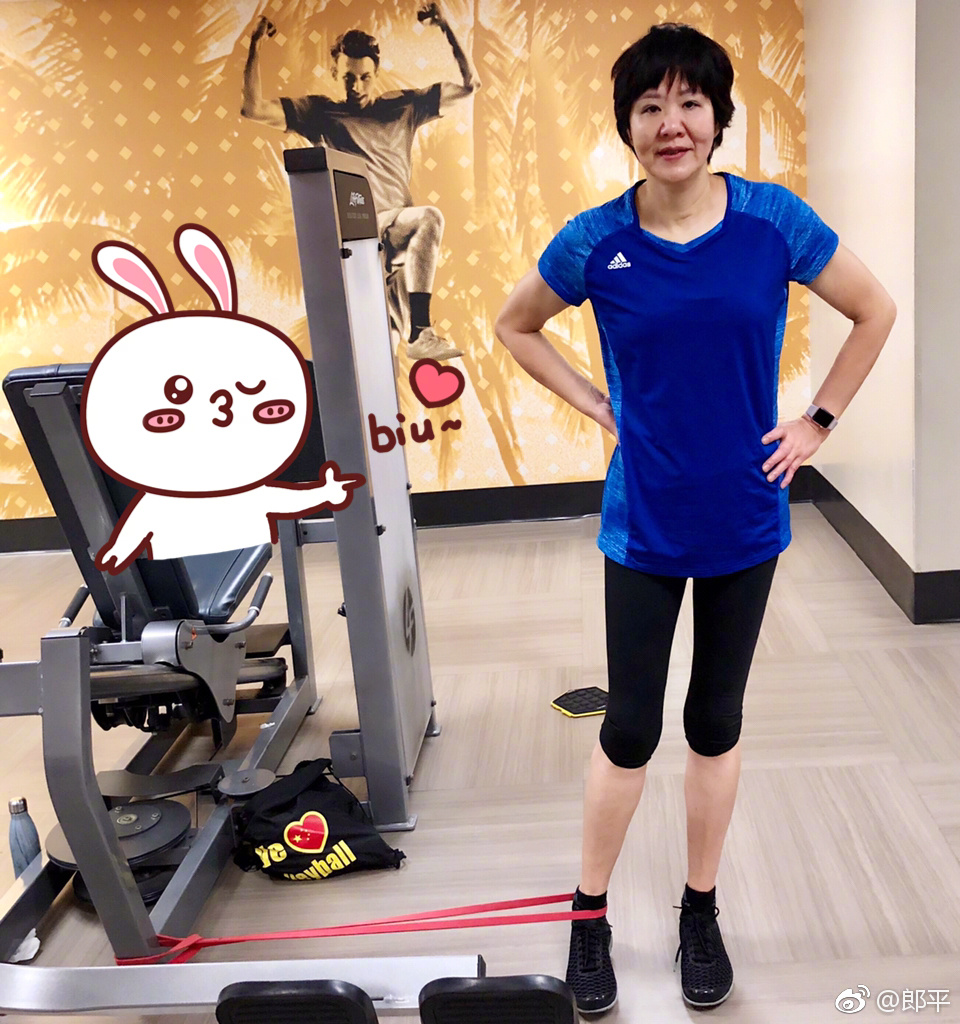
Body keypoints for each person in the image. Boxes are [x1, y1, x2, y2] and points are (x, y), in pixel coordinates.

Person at [494, 22, 896, 1016]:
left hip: (745, 518)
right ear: (627, 125)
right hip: (643, 520)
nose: (670, 123)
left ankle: (699, 910)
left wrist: (817, 421)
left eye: (689, 103)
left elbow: (875, 309)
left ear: (718, 118)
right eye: (649, 106)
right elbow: (515, 324)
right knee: (630, 726)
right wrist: (595, 403)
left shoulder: (773, 221)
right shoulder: (595, 240)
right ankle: (589, 914)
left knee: (715, 721)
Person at [241, 5, 480, 362]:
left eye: (365, 77)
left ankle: (412, 335)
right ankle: (420, 329)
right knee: (429, 218)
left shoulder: (404, 107)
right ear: (335, 73)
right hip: (360, 232)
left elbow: (470, 86)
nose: (356, 86)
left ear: (376, 73)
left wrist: (446, 25)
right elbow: (253, 109)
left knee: (387, 354)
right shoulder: (321, 113)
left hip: (395, 243)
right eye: (348, 78)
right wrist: (254, 43)